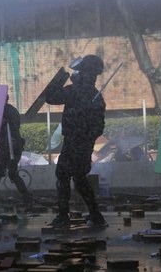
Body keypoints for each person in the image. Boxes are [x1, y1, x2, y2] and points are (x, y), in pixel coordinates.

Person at [45, 54, 107, 228]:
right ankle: (95, 215)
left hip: (76, 142)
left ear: (87, 72)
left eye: (81, 71)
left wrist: (62, 80)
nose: (78, 73)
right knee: (78, 178)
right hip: (79, 143)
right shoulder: (93, 95)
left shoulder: (77, 91)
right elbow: (98, 127)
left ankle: (64, 216)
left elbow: (51, 97)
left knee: (65, 176)